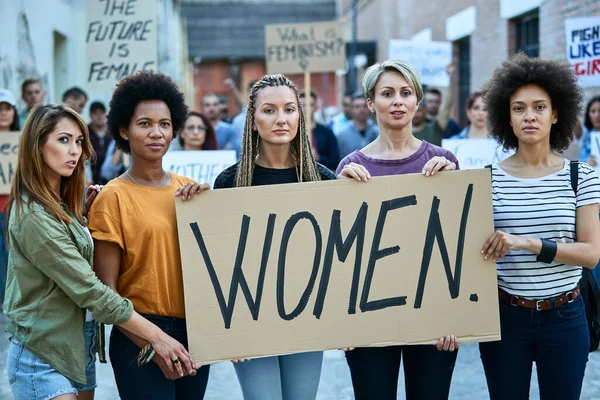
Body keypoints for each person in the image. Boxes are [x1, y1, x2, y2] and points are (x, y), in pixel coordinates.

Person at [4, 103, 198, 400]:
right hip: (42, 354)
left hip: (78, 349)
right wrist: (157, 339)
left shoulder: (61, 207)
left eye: (79, 141)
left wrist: (83, 220)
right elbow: (91, 290)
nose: (75, 151)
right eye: (64, 140)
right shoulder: (34, 215)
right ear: (37, 145)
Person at [177, 74, 335, 400]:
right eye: (269, 110)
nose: (281, 119)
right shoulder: (230, 182)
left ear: (299, 117)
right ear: (252, 121)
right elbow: (218, 262)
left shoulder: (323, 179)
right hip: (250, 319)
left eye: (289, 110)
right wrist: (201, 206)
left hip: (307, 317)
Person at [336, 59, 460, 400]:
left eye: (406, 93)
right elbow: (341, 255)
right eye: (387, 93)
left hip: (432, 317)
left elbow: (455, 248)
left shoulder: (444, 161)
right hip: (369, 321)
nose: (398, 101)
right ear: (370, 102)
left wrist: (457, 315)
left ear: (417, 102)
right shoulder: (350, 166)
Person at [478, 53, 600, 400]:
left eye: (539, 107)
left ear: (556, 113)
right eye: (519, 108)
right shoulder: (486, 181)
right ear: (508, 117)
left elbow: (591, 255)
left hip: (564, 317)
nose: (529, 115)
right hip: (504, 318)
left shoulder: (581, 177)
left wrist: (528, 243)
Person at [88, 71, 210, 400]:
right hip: (137, 335)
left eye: (165, 124)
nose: (157, 133)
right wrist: (153, 342)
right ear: (124, 130)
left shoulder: (190, 191)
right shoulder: (112, 197)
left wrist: (211, 211)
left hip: (195, 333)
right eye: (144, 124)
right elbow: (105, 293)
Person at [0, 88, 19, 306]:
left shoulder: (22, 140)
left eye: (7, 108)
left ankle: (10, 301)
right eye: (0, 109)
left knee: (11, 258)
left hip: (13, 207)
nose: (3, 113)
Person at [412, 65, 457, 146]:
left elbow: (447, 105)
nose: (415, 114)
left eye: (419, 110)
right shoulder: (402, 134)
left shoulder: (436, 127)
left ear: (425, 110)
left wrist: (450, 78)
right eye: (413, 110)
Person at [299, 90, 340, 171]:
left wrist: (318, 157)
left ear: (316, 107)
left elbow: (335, 160)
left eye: (310, 105)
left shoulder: (326, 132)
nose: (306, 108)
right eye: (303, 105)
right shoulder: (292, 132)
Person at [337, 92, 379, 159]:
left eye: (364, 106)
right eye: (357, 106)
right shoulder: (342, 135)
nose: (361, 110)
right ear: (351, 109)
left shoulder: (378, 132)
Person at [88, 101, 112, 184]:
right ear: (90, 115)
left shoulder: (113, 133)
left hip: (112, 178)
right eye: (95, 113)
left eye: (101, 113)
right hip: (92, 180)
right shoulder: (85, 132)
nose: (99, 116)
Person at [579, 96, 600, 166]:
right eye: (593, 111)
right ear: (588, 114)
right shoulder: (585, 135)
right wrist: (586, 163)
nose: (597, 115)